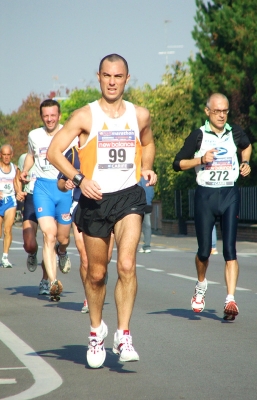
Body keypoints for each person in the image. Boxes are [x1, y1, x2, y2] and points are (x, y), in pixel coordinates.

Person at [47, 53, 157, 368]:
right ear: (99, 77)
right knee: (96, 274)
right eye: (106, 76)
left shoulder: (139, 115)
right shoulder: (85, 116)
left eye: (118, 76)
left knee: (126, 264)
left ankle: (124, 334)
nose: (112, 81)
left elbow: (147, 144)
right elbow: (55, 152)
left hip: (128, 197)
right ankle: (97, 331)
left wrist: (147, 168)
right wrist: (79, 179)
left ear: (126, 79)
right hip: (95, 201)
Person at [173, 93, 252, 321]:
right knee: (204, 250)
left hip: (229, 193)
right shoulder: (199, 135)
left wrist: (245, 162)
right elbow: (177, 163)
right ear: (207, 111)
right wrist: (200, 159)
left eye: (225, 111)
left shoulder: (234, 131)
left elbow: (246, 147)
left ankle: (230, 300)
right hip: (205, 196)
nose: (221, 115)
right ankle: (200, 285)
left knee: (230, 250)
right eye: (217, 111)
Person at [20, 99, 73, 301]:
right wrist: (25, 170)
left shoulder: (69, 135)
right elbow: (31, 156)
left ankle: (63, 251)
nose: (49, 119)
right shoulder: (34, 135)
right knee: (48, 236)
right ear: (42, 116)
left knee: (63, 239)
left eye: (53, 115)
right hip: (42, 188)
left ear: (59, 116)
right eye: (46, 116)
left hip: (64, 188)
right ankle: (53, 283)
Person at [57, 145, 115, 313]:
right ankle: (89, 297)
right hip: (80, 206)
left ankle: (100, 275)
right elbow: (60, 182)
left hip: (107, 205)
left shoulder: (106, 145)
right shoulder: (74, 152)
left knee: (106, 257)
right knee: (85, 257)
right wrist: (65, 184)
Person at [14, 153, 49, 295]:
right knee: (29, 244)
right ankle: (32, 252)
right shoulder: (24, 158)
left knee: (49, 241)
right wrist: (18, 191)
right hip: (31, 199)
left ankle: (46, 281)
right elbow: (17, 178)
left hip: (49, 198)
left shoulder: (56, 153)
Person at [0, 144, 17, 268]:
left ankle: (5, 257)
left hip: (10, 200)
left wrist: (20, 192)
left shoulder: (15, 168)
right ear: (1, 155)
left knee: (8, 229)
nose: (6, 157)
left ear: (12, 155)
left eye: (8, 155)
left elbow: (17, 184)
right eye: (4, 155)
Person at [138, 176, 154, 253]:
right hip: (148, 204)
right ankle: (147, 246)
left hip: (139, 205)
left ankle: (133, 245)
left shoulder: (137, 178)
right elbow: (151, 192)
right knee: (147, 225)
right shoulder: (148, 178)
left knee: (135, 226)